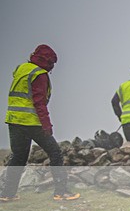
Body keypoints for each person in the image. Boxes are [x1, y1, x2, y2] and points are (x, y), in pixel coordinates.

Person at [1, 44, 80, 202]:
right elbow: (39, 103)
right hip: (32, 122)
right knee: (55, 153)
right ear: (48, 61)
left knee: (18, 157)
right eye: (52, 64)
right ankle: (61, 192)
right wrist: (47, 125)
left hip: (14, 120)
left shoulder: (22, 69)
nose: (52, 67)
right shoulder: (40, 75)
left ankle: (7, 194)